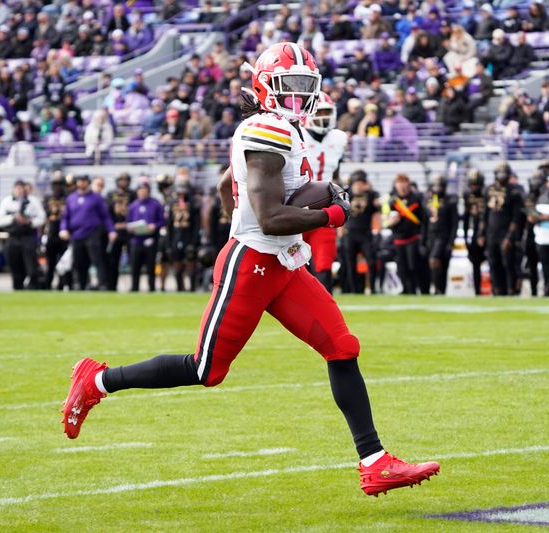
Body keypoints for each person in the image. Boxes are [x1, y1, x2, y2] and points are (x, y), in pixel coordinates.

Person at [61, 43, 440, 497]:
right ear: (267, 86)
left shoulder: (278, 127)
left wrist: (283, 202)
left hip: (282, 262)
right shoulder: (266, 130)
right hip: (254, 263)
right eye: (289, 87)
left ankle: (375, 462)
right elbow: (271, 218)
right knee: (207, 369)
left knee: (342, 346)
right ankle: (96, 380)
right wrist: (327, 215)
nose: (298, 98)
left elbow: (228, 184)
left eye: (305, 88)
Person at [301, 92, 348, 292]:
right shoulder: (296, 134)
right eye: (318, 112)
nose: (323, 117)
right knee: (293, 264)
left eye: (327, 112)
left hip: (324, 208)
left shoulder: (338, 138)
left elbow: (336, 173)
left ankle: (324, 305)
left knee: (324, 264)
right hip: (297, 207)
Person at [59, 175, 115, 291]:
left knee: (97, 260)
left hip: (92, 233)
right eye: (80, 181)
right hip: (76, 234)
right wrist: (63, 229)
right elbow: (66, 217)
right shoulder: (71, 198)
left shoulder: (96, 198)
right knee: (79, 262)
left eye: (84, 181)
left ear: (88, 183)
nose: (82, 184)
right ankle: (80, 284)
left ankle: (102, 285)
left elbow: (105, 216)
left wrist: (111, 230)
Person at [0, 179, 46, 290]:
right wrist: (13, 218)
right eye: (17, 188)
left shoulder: (33, 201)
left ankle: (32, 288)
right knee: (14, 267)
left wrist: (28, 222)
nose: (19, 191)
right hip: (12, 237)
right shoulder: (7, 201)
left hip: (27, 237)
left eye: (21, 188)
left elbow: (41, 218)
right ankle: (17, 288)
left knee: (31, 267)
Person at [484, 162, 524, 296]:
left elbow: (516, 217)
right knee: (493, 263)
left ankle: (511, 290)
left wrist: (510, 236)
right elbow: (485, 214)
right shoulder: (488, 190)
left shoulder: (514, 191)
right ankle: (497, 290)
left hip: (505, 232)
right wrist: (481, 233)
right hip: (492, 232)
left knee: (508, 263)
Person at [341, 171, 380, 294]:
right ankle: (354, 289)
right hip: (350, 233)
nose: (358, 186)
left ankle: (372, 288)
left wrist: (377, 230)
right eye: (356, 184)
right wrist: (341, 232)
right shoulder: (347, 195)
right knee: (350, 262)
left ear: (365, 185)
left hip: (365, 233)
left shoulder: (371, 195)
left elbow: (377, 212)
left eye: (360, 184)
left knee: (371, 261)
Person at [387, 174, 426, 294]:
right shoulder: (392, 201)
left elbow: (423, 218)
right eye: (399, 183)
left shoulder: (417, 198)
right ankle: (406, 289)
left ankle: (416, 289)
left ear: (408, 184)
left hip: (413, 237)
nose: (401, 186)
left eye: (404, 182)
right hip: (399, 238)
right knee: (401, 267)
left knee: (413, 266)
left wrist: (422, 236)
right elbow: (387, 220)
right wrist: (391, 222)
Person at [126, 179, 164, 292]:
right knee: (135, 266)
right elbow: (128, 222)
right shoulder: (133, 206)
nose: (142, 192)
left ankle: (151, 288)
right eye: (140, 190)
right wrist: (131, 228)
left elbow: (162, 220)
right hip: (136, 240)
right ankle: (134, 288)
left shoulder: (155, 204)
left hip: (150, 240)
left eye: (144, 190)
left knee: (150, 266)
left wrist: (154, 226)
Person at [424, 176, 458, 295]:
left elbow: (454, 224)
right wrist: (423, 239)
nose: (437, 189)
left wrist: (451, 242)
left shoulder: (450, 201)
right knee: (438, 263)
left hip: (443, 236)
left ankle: (438, 288)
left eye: (439, 186)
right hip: (431, 236)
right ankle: (440, 290)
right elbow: (425, 222)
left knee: (435, 260)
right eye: (435, 186)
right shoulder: (428, 200)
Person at [165, 180, 201, 292]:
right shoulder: (172, 204)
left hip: (188, 237)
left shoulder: (193, 204)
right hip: (176, 237)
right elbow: (169, 225)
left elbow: (196, 225)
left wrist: (194, 242)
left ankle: (192, 288)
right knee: (177, 265)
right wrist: (169, 243)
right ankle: (180, 288)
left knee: (191, 264)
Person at [105, 173, 135, 291]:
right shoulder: (111, 194)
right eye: (121, 180)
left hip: (129, 231)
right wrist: (111, 228)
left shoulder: (132, 194)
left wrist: (129, 224)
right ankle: (112, 286)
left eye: (126, 180)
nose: (123, 182)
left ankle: (134, 286)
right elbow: (106, 214)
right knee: (112, 261)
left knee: (133, 261)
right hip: (115, 232)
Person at [42, 173, 70, 290]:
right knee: (51, 263)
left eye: (60, 184)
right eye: (55, 184)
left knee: (64, 263)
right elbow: (44, 215)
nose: (57, 187)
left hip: (64, 234)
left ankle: (62, 285)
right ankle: (48, 285)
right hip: (52, 233)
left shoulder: (69, 198)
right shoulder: (48, 198)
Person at [463, 170, 487, 295]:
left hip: (487, 233)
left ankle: (498, 290)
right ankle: (477, 291)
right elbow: (467, 217)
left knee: (493, 263)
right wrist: (466, 238)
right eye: (472, 185)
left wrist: (483, 234)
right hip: (474, 234)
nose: (474, 188)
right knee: (475, 264)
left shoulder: (487, 194)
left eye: (476, 185)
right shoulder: (467, 196)